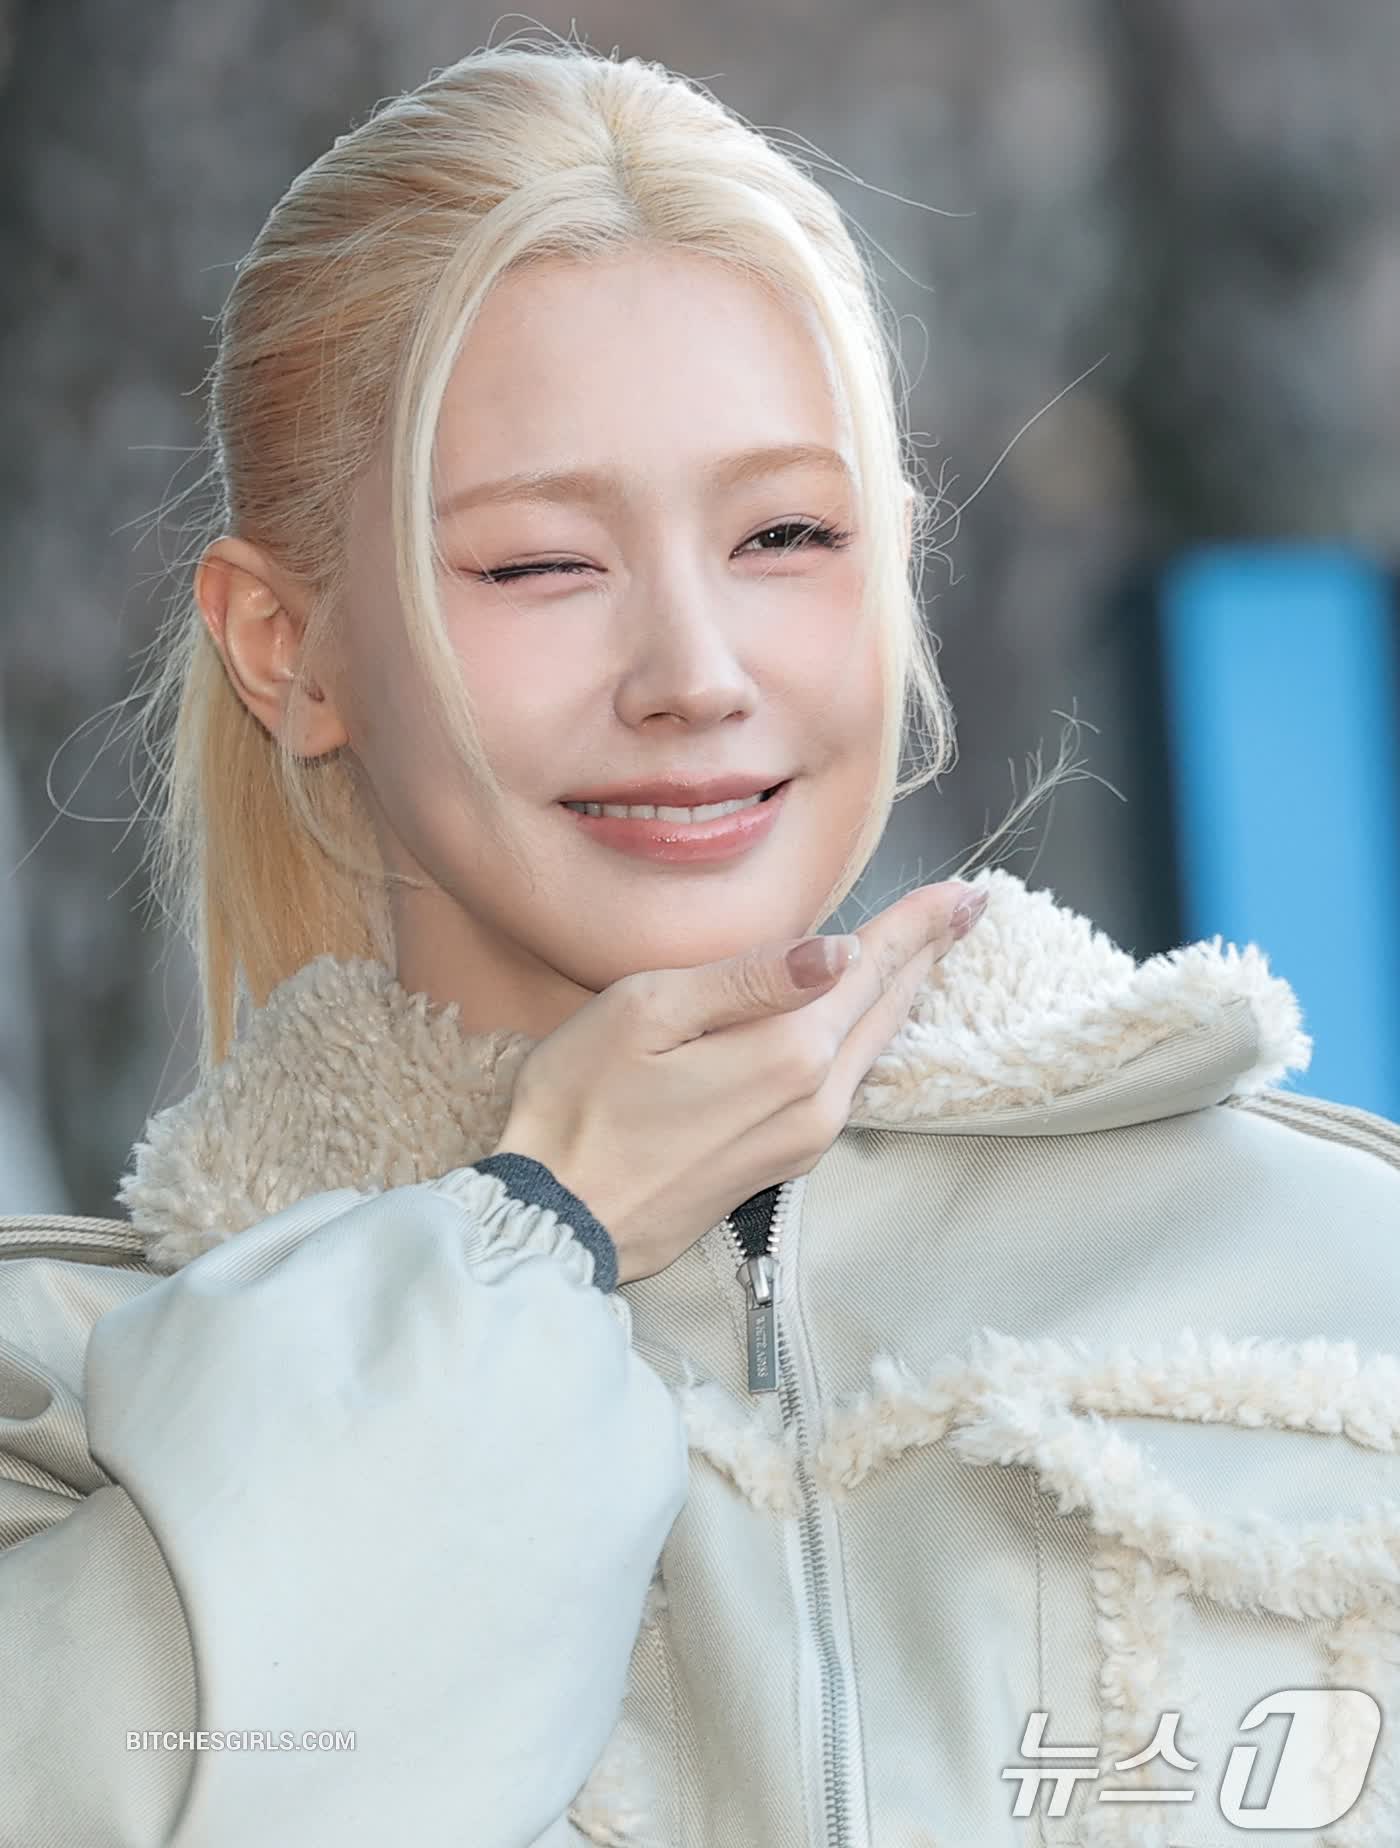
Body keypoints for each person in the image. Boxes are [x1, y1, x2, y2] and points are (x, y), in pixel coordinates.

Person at [3, 34, 1398, 1848]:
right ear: (289, 648)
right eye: (539, 564)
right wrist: (532, 1238)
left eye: (786, 535)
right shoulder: (68, 1405)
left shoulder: (1330, 1277)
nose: (694, 674)